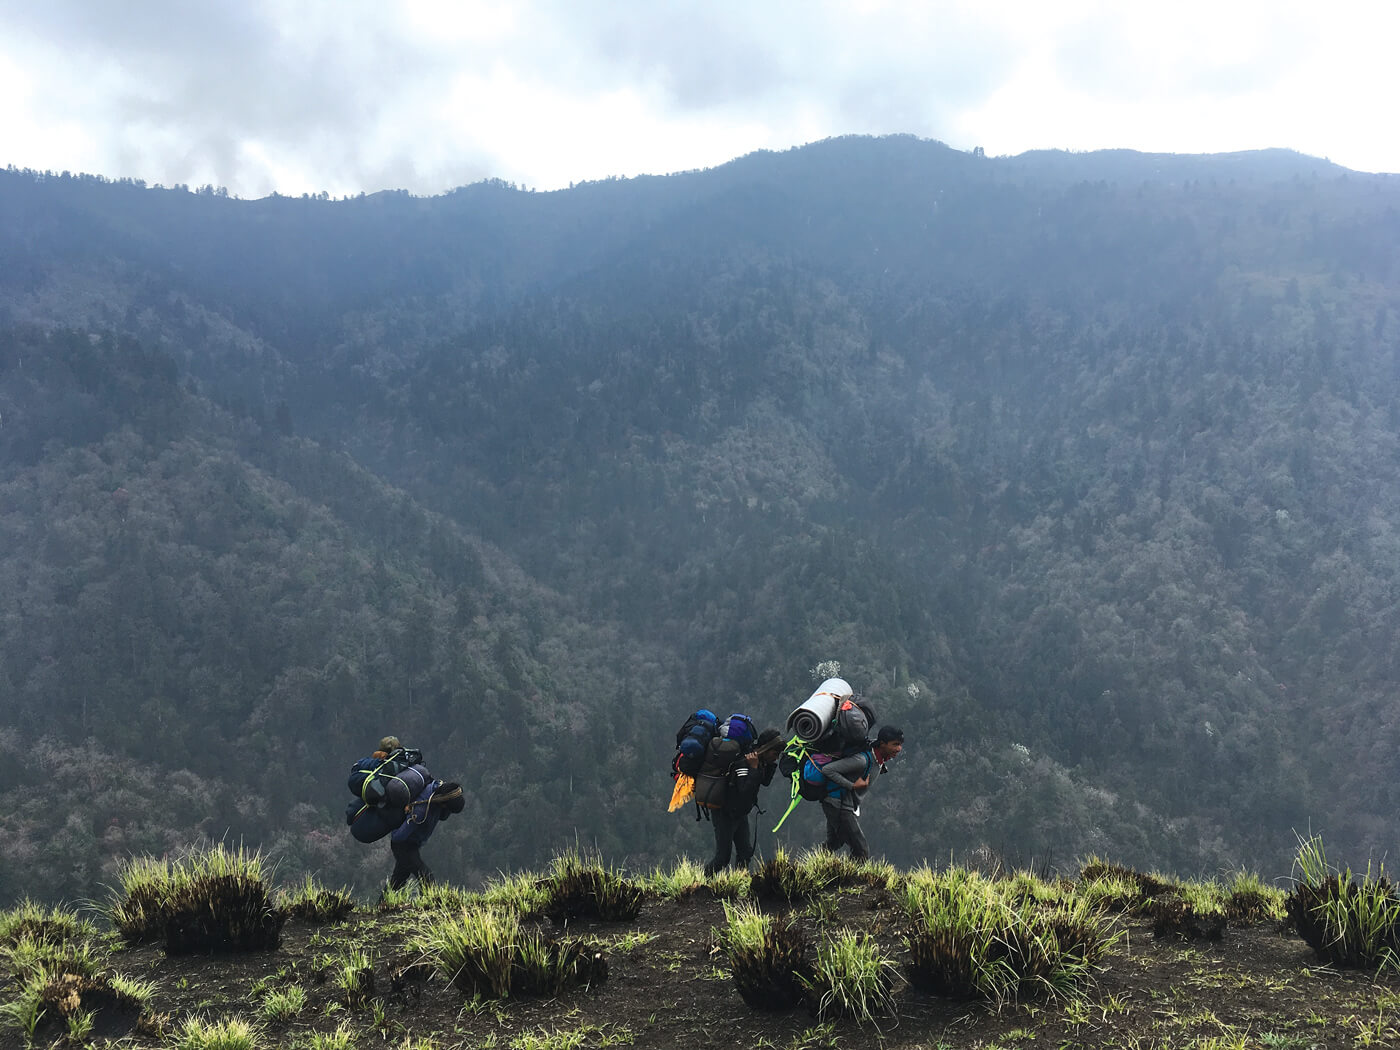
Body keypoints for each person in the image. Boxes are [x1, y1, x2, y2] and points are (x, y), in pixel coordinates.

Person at [704, 727, 782, 876]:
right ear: (765, 749)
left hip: (739, 813)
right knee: (723, 858)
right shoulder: (744, 763)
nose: (776, 757)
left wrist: (769, 765)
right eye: (774, 754)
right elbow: (744, 791)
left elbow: (765, 782)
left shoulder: (760, 762)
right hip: (725, 814)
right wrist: (753, 769)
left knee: (745, 853)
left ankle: (740, 882)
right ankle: (700, 884)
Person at [818, 725, 904, 861]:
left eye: (900, 744)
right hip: (838, 804)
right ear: (882, 744)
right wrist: (852, 786)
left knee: (834, 843)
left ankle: (818, 870)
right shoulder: (862, 760)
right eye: (895, 744)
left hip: (844, 804)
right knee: (861, 850)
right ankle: (851, 881)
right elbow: (828, 770)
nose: (899, 749)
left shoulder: (879, 760)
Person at [387, 777, 464, 891]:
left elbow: (443, 816)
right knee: (426, 877)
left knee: (399, 878)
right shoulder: (421, 812)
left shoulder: (438, 789)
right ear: (444, 804)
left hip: (412, 844)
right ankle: (429, 904)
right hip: (403, 845)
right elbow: (398, 837)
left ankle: (383, 903)